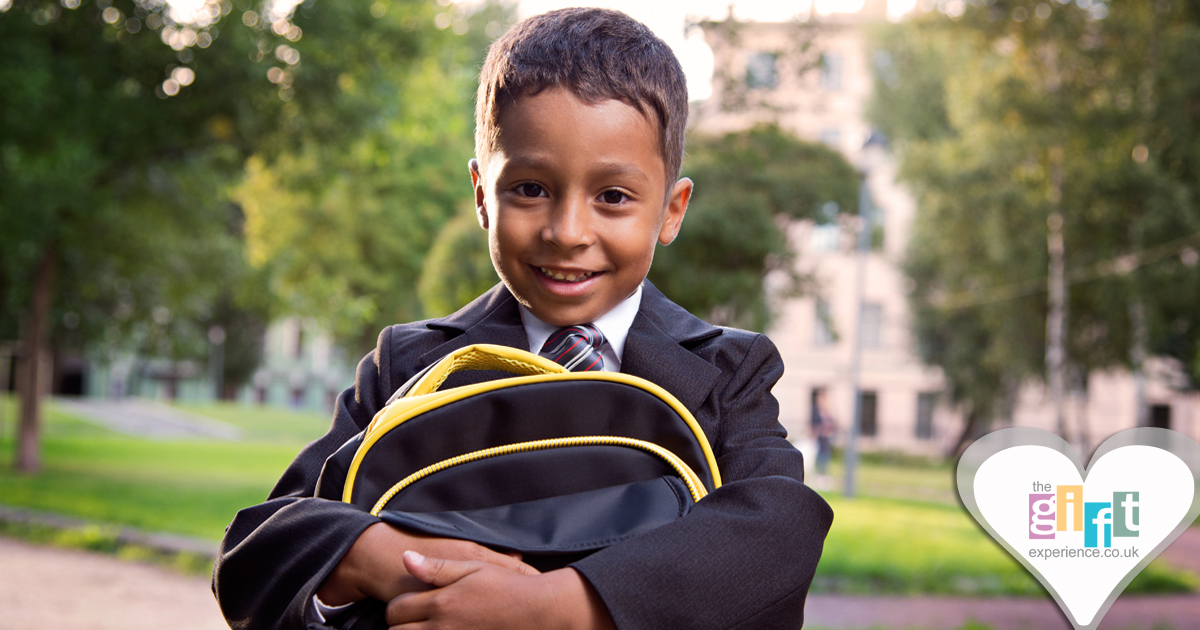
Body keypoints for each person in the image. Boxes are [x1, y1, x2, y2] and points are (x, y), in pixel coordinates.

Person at [212, 8, 833, 630]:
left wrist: (555, 606)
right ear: (483, 194)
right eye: (530, 189)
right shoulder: (407, 364)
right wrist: (385, 561)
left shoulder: (728, 371)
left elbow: (777, 531)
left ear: (671, 211)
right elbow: (257, 549)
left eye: (612, 197)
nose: (567, 232)